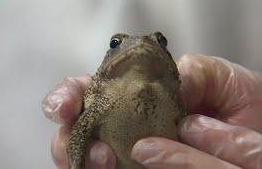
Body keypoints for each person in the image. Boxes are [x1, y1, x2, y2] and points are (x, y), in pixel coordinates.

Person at [42, 54, 262, 169]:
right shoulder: (102, 96)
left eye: (160, 42)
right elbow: (78, 133)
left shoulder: (175, 97)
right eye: (116, 43)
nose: (139, 45)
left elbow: (186, 131)